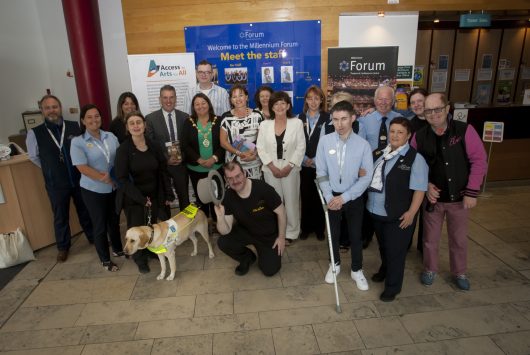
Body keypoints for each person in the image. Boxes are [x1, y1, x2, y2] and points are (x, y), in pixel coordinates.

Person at [411, 93, 487, 291]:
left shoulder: (464, 131)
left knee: (459, 239)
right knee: (429, 239)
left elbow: (479, 161)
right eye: (429, 110)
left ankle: (459, 272)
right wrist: (426, 185)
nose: (433, 114)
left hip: (460, 199)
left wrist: (471, 192)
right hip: (432, 200)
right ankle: (430, 269)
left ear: (447, 108)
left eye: (438, 109)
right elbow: (412, 165)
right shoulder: (419, 137)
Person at [26, 95, 94, 263]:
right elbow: (34, 157)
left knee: (85, 210)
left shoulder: (73, 126)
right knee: (60, 216)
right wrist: (50, 170)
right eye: (47, 107)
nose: (52, 110)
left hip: (78, 179)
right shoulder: (35, 133)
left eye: (55, 106)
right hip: (56, 184)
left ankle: (93, 237)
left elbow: (83, 149)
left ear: (60, 107)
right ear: (42, 111)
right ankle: (63, 247)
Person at [366, 117, 428, 302]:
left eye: (400, 132)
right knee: (384, 247)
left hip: (399, 215)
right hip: (376, 211)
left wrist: (411, 213)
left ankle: (393, 287)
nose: (395, 135)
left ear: (408, 135)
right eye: (392, 131)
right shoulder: (379, 153)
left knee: (396, 252)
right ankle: (384, 270)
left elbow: (420, 189)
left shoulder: (415, 159)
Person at [315, 100, 373, 291]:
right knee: (333, 234)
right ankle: (335, 264)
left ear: (353, 118)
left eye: (344, 119)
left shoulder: (363, 145)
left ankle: (357, 269)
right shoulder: (325, 141)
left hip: (353, 197)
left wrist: (345, 197)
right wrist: (329, 196)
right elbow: (321, 171)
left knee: (356, 235)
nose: (339, 124)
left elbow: (366, 178)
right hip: (331, 196)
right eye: (336, 119)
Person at [115, 111, 174, 273]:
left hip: (154, 195)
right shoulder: (123, 150)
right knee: (136, 230)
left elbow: (163, 170)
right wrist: (141, 199)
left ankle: (148, 250)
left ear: (144, 125)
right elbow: (122, 179)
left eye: (138, 122)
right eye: (132, 123)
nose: (136, 126)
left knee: (149, 226)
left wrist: (168, 193)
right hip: (134, 199)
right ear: (127, 127)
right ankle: (139, 259)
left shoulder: (153, 145)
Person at [70, 104, 122, 272]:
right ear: (83, 121)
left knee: (114, 221)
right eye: (90, 117)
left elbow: (119, 159)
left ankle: (118, 249)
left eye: (97, 116)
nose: (94, 120)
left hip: (113, 187)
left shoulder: (111, 136)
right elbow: (81, 167)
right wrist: (105, 178)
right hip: (93, 190)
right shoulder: (78, 142)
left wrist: (114, 178)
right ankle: (105, 260)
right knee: (99, 225)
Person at [215, 161, 286, 276]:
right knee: (223, 242)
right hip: (246, 231)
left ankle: (264, 253)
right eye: (230, 178)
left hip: (267, 235)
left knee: (270, 270)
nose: (235, 181)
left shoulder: (263, 189)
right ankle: (247, 258)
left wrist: (281, 237)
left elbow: (281, 212)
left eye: (238, 176)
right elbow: (225, 231)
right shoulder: (228, 196)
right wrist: (220, 217)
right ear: (226, 179)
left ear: (244, 173)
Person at [257, 91, 305, 245]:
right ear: (271, 107)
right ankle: (277, 231)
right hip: (271, 171)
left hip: (290, 171)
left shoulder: (296, 123)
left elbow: (300, 147)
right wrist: (272, 166)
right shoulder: (264, 125)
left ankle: (291, 232)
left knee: (291, 202)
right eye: (276, 103)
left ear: (288, 105)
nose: (279, 106)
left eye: (283, 103)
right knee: (274, 202)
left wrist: (289, 167)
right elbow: (260, 148)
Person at [358, 86, 403, 249]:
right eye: (380, 99)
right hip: (370, 169)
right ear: (374, 100)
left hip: (393, 170)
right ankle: (366, 235)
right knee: (367, 203)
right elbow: (359, 146)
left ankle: (391, 235)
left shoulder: (400, 119)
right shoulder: (364, 119)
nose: (383, 102)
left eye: (387, 99)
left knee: (389, 202)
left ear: (393, 101)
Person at [145, 85, 188, 217]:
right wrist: (165, 158)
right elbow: (150, 144)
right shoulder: (150, 119)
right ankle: (166, 228)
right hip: (161, 166)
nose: (168, 101)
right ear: (160, 99)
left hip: (180, 165)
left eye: (171, 97)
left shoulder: (185, 117)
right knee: (164, 200)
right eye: (165, 98)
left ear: (175, 99)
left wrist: (183, 156)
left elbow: (188, 142)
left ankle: (186, 224)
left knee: (184, 198)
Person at [182, 93, 224, 218]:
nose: (200, 106)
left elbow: (224, 143)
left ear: (208, 104)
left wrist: (214, 158)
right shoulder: (188, 122)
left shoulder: (219, 120)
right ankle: (205, 222)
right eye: (197, 104)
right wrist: (199, 159)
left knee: (217, 196)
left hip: (216, 166)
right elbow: (184, 145)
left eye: (203, 103)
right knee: (202, 197)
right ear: (193, 107)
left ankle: (218, 222)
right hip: (196, 169)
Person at [297, 85, 329, 241]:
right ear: (306, 100)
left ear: (321, 99)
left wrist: (316, 160)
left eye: (317, 98)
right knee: (305, 197)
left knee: (320, 198)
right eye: (310, 98)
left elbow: (330, 144)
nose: (313, 101)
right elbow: (295, 142)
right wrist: (304, 159)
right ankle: (305, 228)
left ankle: (319, 229)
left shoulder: (328, 118)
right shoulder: (299, 118)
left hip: (321, 166)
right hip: (303, 166)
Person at [220, 84, 264, 179]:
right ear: (231, 100)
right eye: (234, 96)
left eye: (241, 95)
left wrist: (254, 154)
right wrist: (240, 153)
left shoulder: (257, 115)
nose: (238, 99)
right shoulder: (226, 117)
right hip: (233, 166)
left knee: (255, 190)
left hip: (254, 163)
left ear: (246, 97)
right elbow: (223, 142)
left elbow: (262, 139)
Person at [407, 88, 429, 252]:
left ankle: (423, 248)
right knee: (410, 213)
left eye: (420, 101)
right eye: (413, 102)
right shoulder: (410, 124)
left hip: (433, 179)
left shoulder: (437, 121)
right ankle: (405, 245)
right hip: (412, 176)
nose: (416, 105)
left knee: (428, 218)